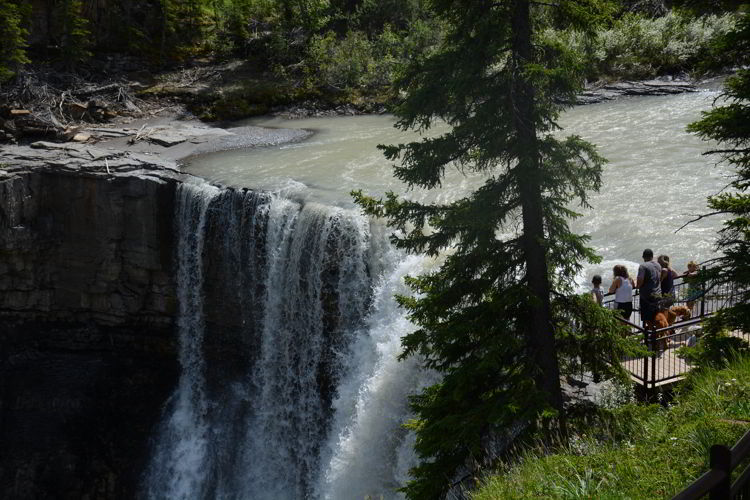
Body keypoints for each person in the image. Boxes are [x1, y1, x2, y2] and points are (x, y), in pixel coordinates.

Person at [637, 248, 662, 327]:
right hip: (658, 294)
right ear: (652, 256)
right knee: (656, 316)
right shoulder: (658, 265)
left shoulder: (643, 266)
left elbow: (640, 280)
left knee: (647, 317)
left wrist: (637, 286)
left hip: (647, 296)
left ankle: (652, 335)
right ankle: (659, 333)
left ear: (644, 257)